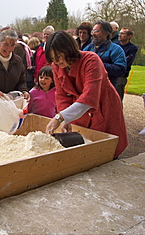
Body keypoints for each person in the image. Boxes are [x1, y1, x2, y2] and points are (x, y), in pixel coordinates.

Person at [45, 31, 127, 159]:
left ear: (69, 49)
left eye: (59, 56)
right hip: (79, 110)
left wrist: (60, 117)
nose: (57, 61)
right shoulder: (56, 66)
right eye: (53, 58)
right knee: (85, 147)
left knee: (106, 147)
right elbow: (61, 95)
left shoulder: (91, 60)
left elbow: (89, 97)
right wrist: (66, 118)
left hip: (104, 106)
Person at [83, 20, 126, 88]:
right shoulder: (88, 48)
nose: (93, 34)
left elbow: (120, 70)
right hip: (88, 87)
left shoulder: (116, 49)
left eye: (96, 31)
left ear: (106, 34)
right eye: (93, 31)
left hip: (107, 89)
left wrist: (99, 65)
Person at [115, 27, 138, 101]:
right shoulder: (115, 45)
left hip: (121, 75)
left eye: (122, 33)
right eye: (120, 33)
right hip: (111, 73)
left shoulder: (132, 48)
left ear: (129, 36)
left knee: (117, 98)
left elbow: (127, 61)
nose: (119, 35)